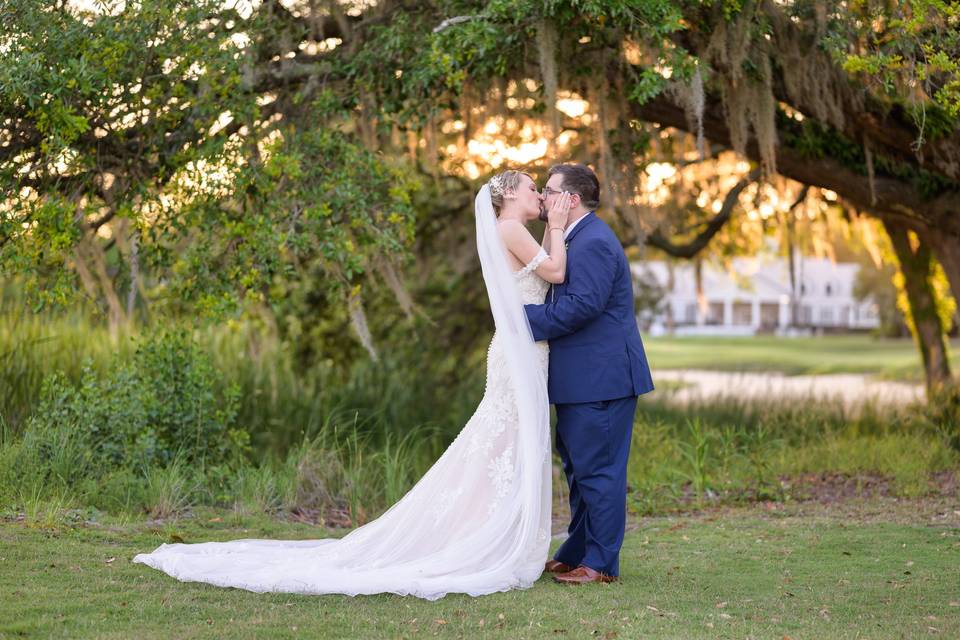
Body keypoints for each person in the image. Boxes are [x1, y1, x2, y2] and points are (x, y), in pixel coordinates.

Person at [132, 170, 572, 600]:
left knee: (507, 443)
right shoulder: (512, 227)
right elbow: (554, 273)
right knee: (503, 443)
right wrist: (556, 225)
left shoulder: (511, 228)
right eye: (534, 189)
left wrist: (552, 228)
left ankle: (486, 529)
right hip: (518, 354)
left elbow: (544, 276)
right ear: (510, 194)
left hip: (523, 350)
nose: (540, 196)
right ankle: (481, 535)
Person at [523, 163, 654, 585]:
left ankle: (600, 565)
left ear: (570, 199)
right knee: (580, 471)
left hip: (603, 379)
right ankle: (576, 550)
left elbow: (582, 306)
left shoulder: (594, 241)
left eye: (548, 190)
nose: (542, 197)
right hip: (581, 379)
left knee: (600, 473)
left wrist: (520, 318)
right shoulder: (572, 238)